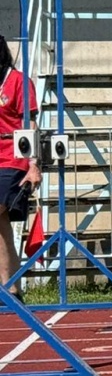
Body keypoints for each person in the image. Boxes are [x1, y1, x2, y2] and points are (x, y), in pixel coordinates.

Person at [0, 36, 40, 287]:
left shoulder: (18, 82)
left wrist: (34, 164)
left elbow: (31, 125)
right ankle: (11, 288)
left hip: (13, 158)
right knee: (1, 228)